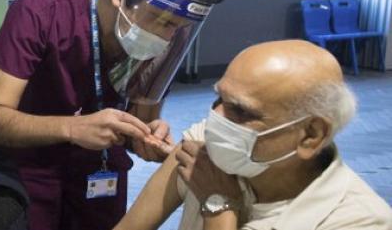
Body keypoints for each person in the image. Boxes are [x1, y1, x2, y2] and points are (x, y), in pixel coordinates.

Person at [0, 0, 225, 230]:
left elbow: (143, 116)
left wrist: (145, 136)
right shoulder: (44, 8)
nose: (168, 36)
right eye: (163, 21)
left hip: (102, 169)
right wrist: (71, 127)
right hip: (31, 166)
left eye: (180, 27)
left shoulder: (169, 34)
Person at [114, 40, 392, 230]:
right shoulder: (206, 148)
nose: (215, 122)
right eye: (218, 100)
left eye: (241, 112)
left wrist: (218, 206)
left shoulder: (359, 221)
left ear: (311, 135)